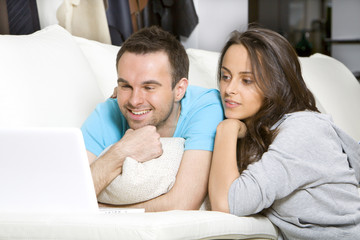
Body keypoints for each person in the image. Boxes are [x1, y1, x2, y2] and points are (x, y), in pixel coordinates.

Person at [208, 27, 360, 239]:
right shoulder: (258, 131)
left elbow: (227, 202)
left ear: (276, 83)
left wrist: (227, 128)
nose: (229, 89)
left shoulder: (302, 130)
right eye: (225, 76)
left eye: (247, 80)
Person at [81, 26, 224, 211]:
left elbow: (184, 202)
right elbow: (69, 193)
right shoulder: (109, 111)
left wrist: (105, 210)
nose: (134, 101)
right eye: (126, 86)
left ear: (179, 89)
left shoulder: (206, 107)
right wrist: (122, 152)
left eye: (149, 87)